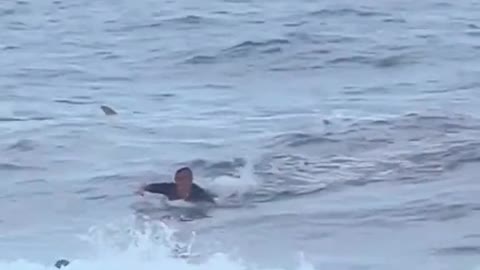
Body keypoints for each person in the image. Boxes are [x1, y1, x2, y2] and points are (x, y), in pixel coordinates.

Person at [137, 167, 215, 204]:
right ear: (175, 180)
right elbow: (146, 187)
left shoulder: (198, 193)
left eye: (185, 179)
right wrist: (141, 191)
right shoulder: (169, 188)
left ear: (191, 179)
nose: (182, 182)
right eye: (179, 179)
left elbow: (212, 204)